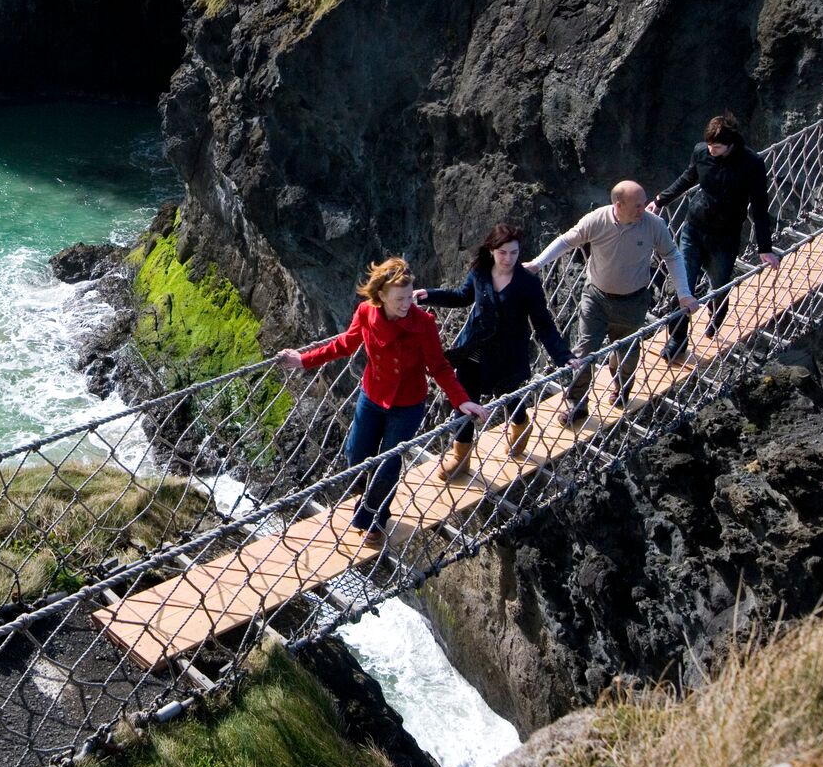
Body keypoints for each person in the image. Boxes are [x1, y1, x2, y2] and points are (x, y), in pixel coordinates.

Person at [276, 257, 487, 545]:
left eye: (409, 297)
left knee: (387, 464)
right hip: (372, 397)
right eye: (399, 299)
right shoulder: (366, 313)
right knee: (356, 458)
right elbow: (345, 345)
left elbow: (439, 367)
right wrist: (304, 361)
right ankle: (372, 501)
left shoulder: (423, 323)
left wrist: (461, 401)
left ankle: (374, 519)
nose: (406, 304)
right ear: (382, 296)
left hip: (408, 404)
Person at [527, 181, 696, 425]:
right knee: (583, 353)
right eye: (637, 205)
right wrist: (537, 264)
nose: (644, 209)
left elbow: (672, 255)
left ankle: (622, 388)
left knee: (626, 352)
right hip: (595, 298)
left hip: (633, 301)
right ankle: (577, 403)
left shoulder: (653, 225)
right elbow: (566, 241)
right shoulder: (597, 220)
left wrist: (684, 293)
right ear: (618, 205)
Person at [416, 223, 577, 475]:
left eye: (514, 253)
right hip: (474, 349)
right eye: (503, 252)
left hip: (508, 356)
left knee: (511, 400)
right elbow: (462, 296)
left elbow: (543, 324)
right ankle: (461, 457)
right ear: (491, 250)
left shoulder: (527, 283)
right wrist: (430, 295)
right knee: (464, 402)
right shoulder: (480, 272)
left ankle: (521, 427)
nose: (508, 258)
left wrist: (563, 356)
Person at [647, 113, 781, 362]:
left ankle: (717, 315)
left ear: (730, 144)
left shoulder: (752, 164)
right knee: (682, 286)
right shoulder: (702, 152)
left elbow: (760, 208)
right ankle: (677, 341)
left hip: (725, 237)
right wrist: (660, 200)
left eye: (716, 146)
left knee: (718, 287)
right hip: (694, 229)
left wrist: (765, 248)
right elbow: (688, 178)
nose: (711, 150)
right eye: (709, 144)